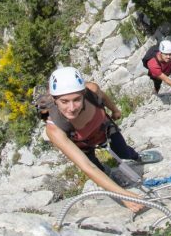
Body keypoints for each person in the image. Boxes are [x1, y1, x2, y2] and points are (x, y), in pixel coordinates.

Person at [44, 66, 145, 212]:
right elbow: (87, 167)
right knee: (98, 170)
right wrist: (123, 195)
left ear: (84, 94)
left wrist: (115, 110)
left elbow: (103, 96)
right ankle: (111, 180)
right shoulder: (54, 129)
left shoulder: (92, 91)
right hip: (83, 145)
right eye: (64, 101)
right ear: (55, 100)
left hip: (104, 130)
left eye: (77, 99)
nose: (72, 108)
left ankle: (137, 156)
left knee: (125, 153)